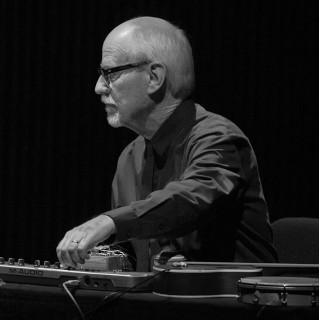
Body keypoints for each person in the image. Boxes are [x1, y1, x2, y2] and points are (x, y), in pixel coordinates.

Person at [56, 16, 278, 271]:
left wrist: (109, 221)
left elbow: (190, 198)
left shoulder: (218, 138)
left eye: (110, 73)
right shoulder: (130, 156)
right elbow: (129, 256)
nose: (98, 88)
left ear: (154, 76)